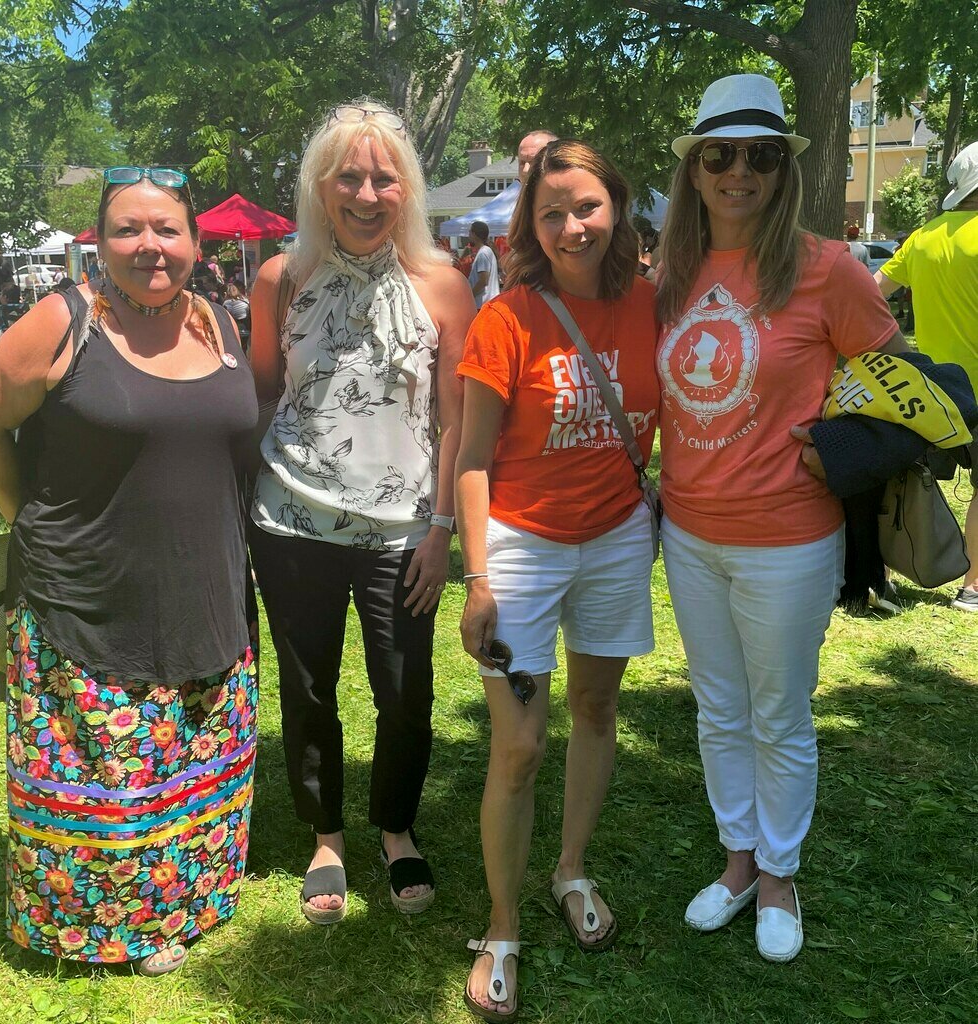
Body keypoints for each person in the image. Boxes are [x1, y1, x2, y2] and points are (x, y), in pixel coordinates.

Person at [0, 165, 259, 974]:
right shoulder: (64, 322)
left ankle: (191, 900)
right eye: (128, 229)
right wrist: (24, 514)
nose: (149, 246)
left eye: (167, 229)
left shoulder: (218, 324)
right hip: (84, 593)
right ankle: (108, 926)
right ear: (99, 241)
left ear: (195, 242)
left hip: (205, 585)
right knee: (109, 772)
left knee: (193, 755)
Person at [656, 74, 908, 963]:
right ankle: (735, 861)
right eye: (718, 154)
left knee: (778, 713)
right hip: (687, 534)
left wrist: (842, 451)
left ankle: (777, 875)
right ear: (693, 169)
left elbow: (906, 389)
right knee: (718, 710)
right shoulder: (671, 272)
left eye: (760, 155)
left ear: (781, 169)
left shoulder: (826, 268)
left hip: (789, 541)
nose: (738, 172)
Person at [248, 100, 475, 925]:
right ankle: (325, 836)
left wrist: (443, 530)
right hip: (289, 523)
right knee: (307, 690)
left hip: (402, 533)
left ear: (407, 190)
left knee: (404, 690)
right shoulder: (281, 279)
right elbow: (263, 393)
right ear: (320, 186)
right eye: (350, 175)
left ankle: (395, 827)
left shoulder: (444, 285)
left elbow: (456, 422)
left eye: (385, 177)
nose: (367, 192)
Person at [456, 138, 659, 1019]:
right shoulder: (506, 317)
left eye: (585, 206)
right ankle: (502, 923)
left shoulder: (655, 306)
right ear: (529, 227)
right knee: (518, 746)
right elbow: (469, 460)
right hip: (522, 549)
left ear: (614, 206)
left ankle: (569, 870)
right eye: (551, 214)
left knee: (597, 712)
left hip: (616, 538)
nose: (571, 225)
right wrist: (474, 577)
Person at [875, 140, 978, 613]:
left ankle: (884, 578)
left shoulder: (923, 237)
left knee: (902, 478)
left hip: (926, 388)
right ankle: (973, 588)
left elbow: (872, 292)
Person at [467, 220, 500, 308]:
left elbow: (483, 280)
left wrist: (470, 295)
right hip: (486, 303)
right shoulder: (486, 251)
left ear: (474, 234)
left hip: (483, 303)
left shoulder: (483, 253)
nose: (468, 235)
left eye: (470, 232)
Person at [222, 281, 251, 352]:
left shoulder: (226, 303)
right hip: (245, 331)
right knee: (244, 350)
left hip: (232, 331)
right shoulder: (245, 302)